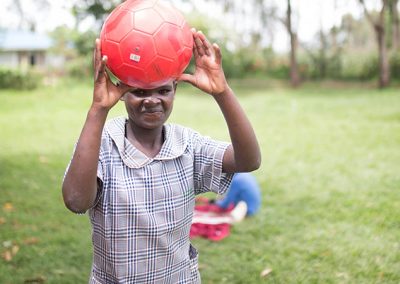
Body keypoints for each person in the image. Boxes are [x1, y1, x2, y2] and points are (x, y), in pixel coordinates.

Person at [62, 28, 261, 283]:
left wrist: (221, 92)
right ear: (122, 93)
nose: (151, 100)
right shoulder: (102, 143)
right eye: (139, 91)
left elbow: (249, 160)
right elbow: (76, 201)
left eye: (162, 91)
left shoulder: (188, 145)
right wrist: (98, 109)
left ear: (174, 89)